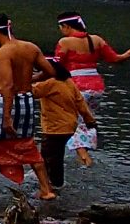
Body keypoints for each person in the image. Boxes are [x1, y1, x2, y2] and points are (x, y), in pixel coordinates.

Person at [0, 14, 57, 200]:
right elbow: (50, 71)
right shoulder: (31, 48)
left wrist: (6, 117)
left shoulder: (2, 53)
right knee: (27, 143)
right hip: (27, 100)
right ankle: (46, 189)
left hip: (5, 102)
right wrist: (29, 80)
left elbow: (7, 86)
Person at [33, 62, 97, 190]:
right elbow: (81, 104)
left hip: (54, 128)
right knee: (56, 156)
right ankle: (54, 183)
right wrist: (90, 120)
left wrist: (22, 79)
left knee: (49, 158)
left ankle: (52, 186)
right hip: (69, 126)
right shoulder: (69, 82)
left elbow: (32, 91)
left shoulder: (50, 83)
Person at [53, 12, 130, 98]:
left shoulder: (64, 42)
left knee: (67, 111)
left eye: (60, 27)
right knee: (89, 111)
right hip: (97, 87)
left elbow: (56, 65)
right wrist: (128, 54)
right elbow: (114, 59)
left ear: (66, 26)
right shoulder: (97, 39)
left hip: (76, 85)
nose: (60, 30)